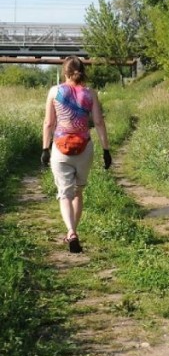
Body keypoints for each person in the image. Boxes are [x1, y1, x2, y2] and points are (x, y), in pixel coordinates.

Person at [41, 56, 112, 253]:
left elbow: (48, 123)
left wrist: (45, 148)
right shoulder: (90, 93)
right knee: (78, 191)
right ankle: (74, 229)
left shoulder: (55, 92)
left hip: (61, 148)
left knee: (65, 193)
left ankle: (71, 232)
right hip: (84, 148)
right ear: (82, 71)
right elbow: (98, 122)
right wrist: (106, 149)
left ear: (65, 71)